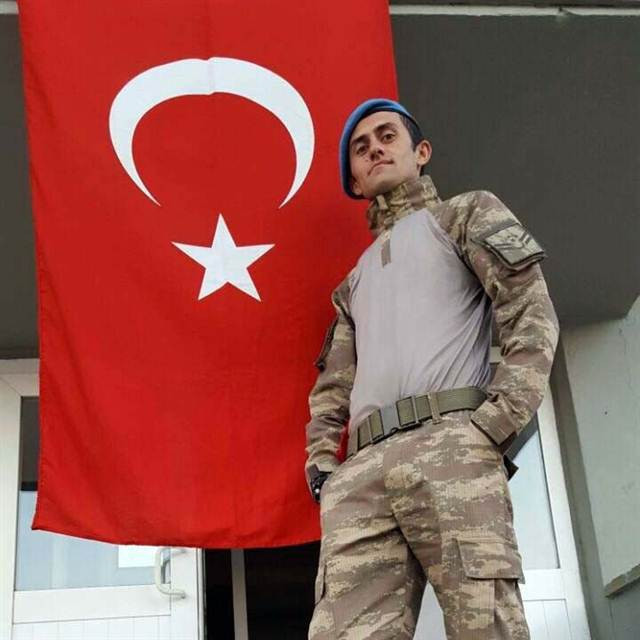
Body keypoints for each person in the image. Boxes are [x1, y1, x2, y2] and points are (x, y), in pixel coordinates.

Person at [304, 98, 559, 640]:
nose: (375, 149)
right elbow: (332, 388)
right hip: (362, 473)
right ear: (353, 180)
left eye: (387, 136)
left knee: (484, 624)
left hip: (452, 445)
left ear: (420, 151)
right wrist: (325, 469)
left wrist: (494, 425)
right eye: (360, 148)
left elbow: (530, 311)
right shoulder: (353, 283)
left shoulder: (465, 214)